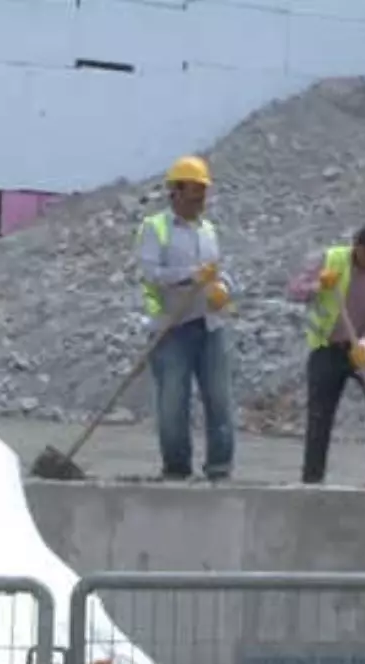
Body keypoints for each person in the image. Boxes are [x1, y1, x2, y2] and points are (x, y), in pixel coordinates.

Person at [135, 155, 237, 481]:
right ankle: (177, 470)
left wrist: (222, 287)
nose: (200, 200)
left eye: (203, 193)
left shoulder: (208, 230)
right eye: (194, 192)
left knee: (219, 400)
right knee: (173, 404)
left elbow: (218, 271)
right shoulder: (154, 228)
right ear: (176, 192)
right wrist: (191, 276)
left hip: (210, 325)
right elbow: (151, 274)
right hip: (172, 329)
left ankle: (220, 468)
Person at [286, 223, 365, 483]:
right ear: (358, 248)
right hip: (328, 348)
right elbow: (294, 291)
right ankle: (312, 478)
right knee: (320, 415)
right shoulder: (330, 260)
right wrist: (319, 285)